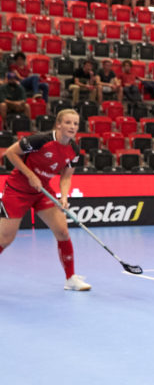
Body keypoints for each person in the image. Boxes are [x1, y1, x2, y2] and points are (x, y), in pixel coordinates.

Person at [0, 110, 89, 291]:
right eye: (68, 123)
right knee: (5, 239)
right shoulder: (40, 140)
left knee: (62, 232)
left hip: (42, 191)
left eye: (75, 124)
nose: (72, 127)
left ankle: (71, 278)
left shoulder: (74, 150)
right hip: (18, 189)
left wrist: (64, 196)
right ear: (58, 124)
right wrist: (30, 175)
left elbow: (66, 177)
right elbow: (10, 153)